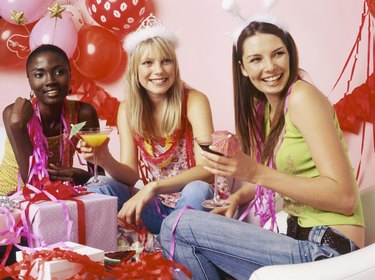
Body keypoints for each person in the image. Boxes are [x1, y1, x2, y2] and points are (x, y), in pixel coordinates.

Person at [159, 16, 365, 279]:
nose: (270, 67)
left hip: (327, 248)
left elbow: (345, 198)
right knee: (194, 245)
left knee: (177, 225)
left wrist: (254, 171)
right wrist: (237, 197)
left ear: (290, 54)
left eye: (278, 54)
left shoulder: (302, 97)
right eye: (256, 59)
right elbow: (286, 176)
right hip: (296, 239)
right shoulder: (267, 110)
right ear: (242, 68)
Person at [79, 15, 223, 234]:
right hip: (154, 208)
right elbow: (130, 175)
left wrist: (152, 187)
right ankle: (116, 251)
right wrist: (105, 158)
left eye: (166, 61)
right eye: (148, 63)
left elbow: (207, 170)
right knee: (98, 186)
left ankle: (173, 241)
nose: (159, 71)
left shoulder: (194, 101)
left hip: (192, 206)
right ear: (136, 70)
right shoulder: (127, 109)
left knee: (198, 188)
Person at [1, 44, 101, 195]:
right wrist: (18, 126)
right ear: (29, 80)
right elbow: (33, 181)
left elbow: (100, 179)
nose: (50, 81)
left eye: (59, 72)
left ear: (70, 74)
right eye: (39, 75)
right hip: (10, 200)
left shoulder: (84, 113)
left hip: (59, 200)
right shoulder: (13, 114)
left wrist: (84, 177)